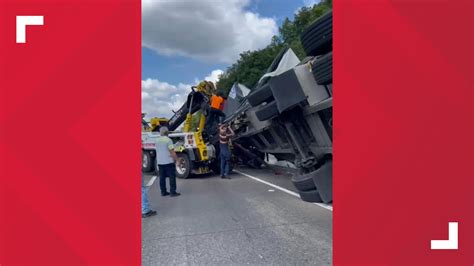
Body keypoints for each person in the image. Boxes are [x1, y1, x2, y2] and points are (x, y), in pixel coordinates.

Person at [155, 126, 181, 197]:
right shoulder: (168, 140)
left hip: (160, 162)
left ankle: (163, 192)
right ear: (167, 132)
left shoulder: (157, 140)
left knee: (162, 177)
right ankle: (173, 192)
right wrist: (177, 160)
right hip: (168, 161)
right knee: (172, 177)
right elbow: (172, 152)